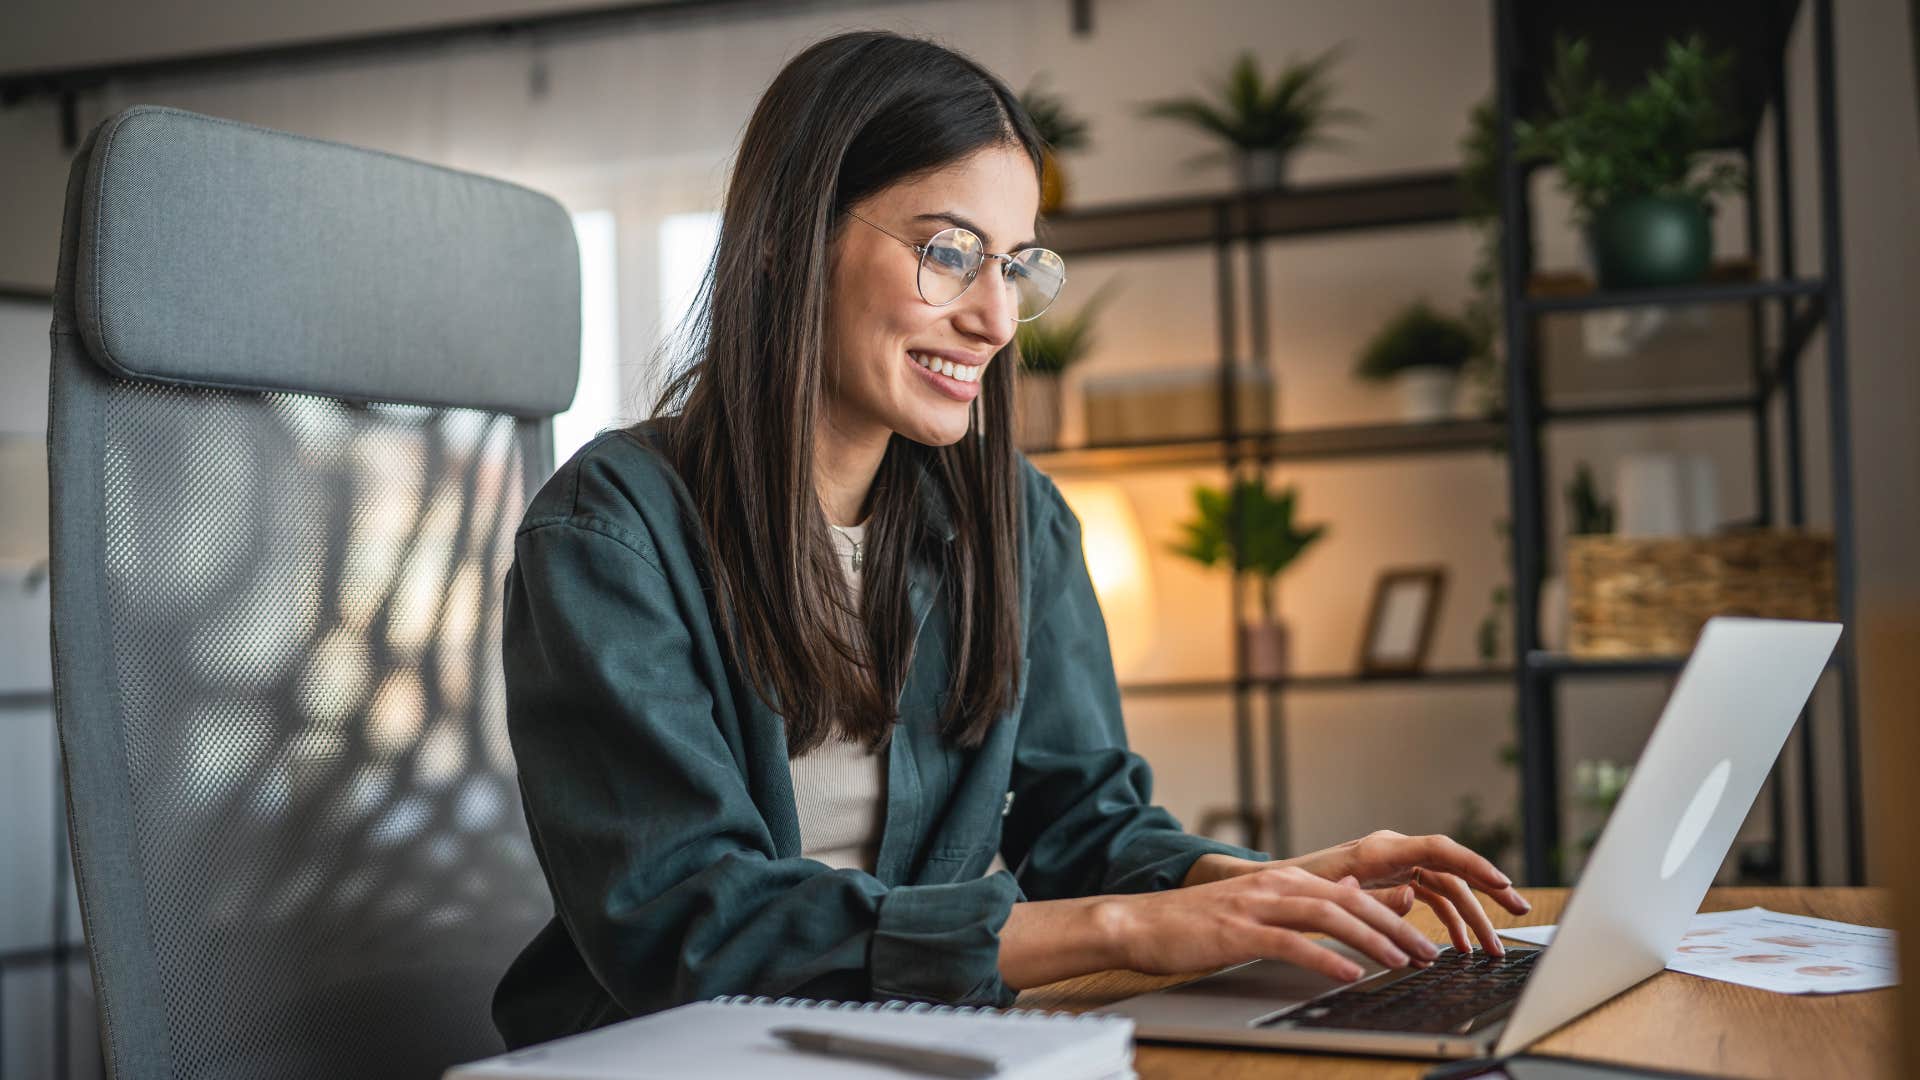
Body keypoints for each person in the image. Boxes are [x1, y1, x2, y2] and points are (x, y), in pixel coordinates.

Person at [491, 29, 1529, 1049]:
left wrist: (1272, 885)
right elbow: (686, 926)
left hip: (925, 1037)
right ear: (788, 239)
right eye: (948, 253)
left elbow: (1085, 827)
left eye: (1017, 265)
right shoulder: (610, 531)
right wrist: (1123, 927)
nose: (995, 317)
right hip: (679, 1055)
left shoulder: (1015, 519)